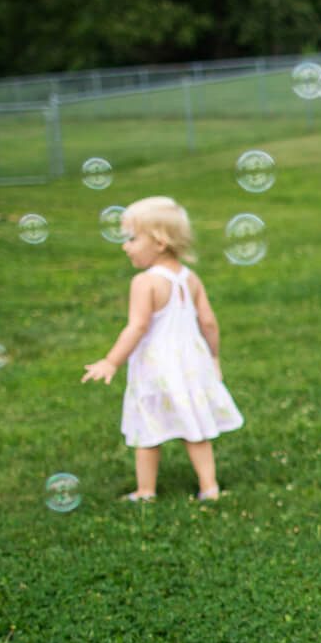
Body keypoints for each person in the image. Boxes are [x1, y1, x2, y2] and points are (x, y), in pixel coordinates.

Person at [82, 196, 241, 501]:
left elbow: (136, 327)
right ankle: (209, 487)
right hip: (190, 363)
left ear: (158, 242)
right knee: (195, 427)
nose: (124, 246)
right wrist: (214, 356)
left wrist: (111, 361)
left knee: (147, 429)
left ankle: (146, 490)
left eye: (131, 238)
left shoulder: (145, 282)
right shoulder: (189, 278)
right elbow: (209, 322)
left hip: (156, 367)